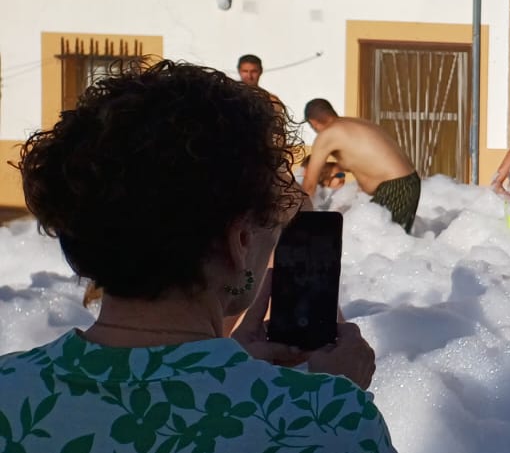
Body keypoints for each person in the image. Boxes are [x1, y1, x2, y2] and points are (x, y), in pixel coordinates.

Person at [5, 62, 394, 450]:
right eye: (271, 227)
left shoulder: (11, 391)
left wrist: (228, 366)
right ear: (239, 241)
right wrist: (337, 398)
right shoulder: (328, 419)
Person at [302, 99, 420, 233]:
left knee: (375, 240)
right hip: (406, 183)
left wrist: (296, 220)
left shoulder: (328, 135)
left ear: (313, 122)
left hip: (397, 187)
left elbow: (309, 185)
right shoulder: (356, 124)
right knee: (379, 240)